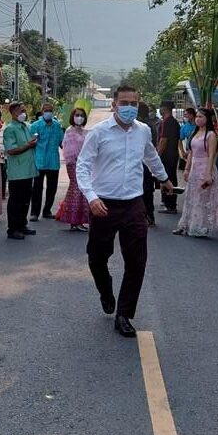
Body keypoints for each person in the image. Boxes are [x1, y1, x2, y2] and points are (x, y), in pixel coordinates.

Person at [76, 83, 174, 337]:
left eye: (133, 103)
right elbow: (83, 167)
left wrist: (163, 179)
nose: (129, 108)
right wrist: (91, 197)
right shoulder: (98, 133)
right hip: (103, 205)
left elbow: (151, 156)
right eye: (124, 103)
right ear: (114, 105)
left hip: (133, 205)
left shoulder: (142, 131)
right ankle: (105, 290)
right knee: (97, 257)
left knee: (137, 262)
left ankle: (124, 314)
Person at [174, 108, 218, 238]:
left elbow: (212, 155)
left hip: (205, 168)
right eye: (197, 116)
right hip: (194, 169)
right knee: (191, 198)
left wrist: (208, 174)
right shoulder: (195, 133)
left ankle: (200, 226)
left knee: (202, 199)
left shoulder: (211, 135)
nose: (198, 119)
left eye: (201, 117)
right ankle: (186, 224)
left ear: (207, 119)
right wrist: (186, 169)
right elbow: (191, 152)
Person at [3, 101, 38, 240]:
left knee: (25, 199)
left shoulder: (27, 126)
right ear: (12, 113)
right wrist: (28, 145)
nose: (24, 113)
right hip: (17, 171)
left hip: (29, 169)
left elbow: (33, 141)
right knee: (15, 201)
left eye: (24, 110)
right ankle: (13, 228)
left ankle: (22, 224)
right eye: (20, 111)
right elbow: (11, 150)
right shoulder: (10, 129)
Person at [56, 107, 91, 230]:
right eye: (77, 115)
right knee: (76, 189)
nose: (79, 117)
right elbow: (69, 152)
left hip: (83, 165)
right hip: (74, 164)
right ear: (73, 117)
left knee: (81, 191)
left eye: (82, 115)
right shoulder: (70, 131)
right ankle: (74, 220)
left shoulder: (84, 131)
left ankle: (78, 220)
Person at [29, 102, 65, 221]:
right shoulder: (35, 126)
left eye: (50, 110)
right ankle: (34, 212)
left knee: (52, 188)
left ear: (52, 111)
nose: (48, 112)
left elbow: (62, 142)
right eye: (46, 110)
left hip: (53, 161)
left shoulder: (57, 126)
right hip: (39, 161)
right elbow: (30, 143)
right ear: (42, 111)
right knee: (37, 188)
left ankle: (47, 210)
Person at [155, 101, 181, 216]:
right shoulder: (174, 122)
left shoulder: (167, 122)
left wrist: (157, 154)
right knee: (171, 177)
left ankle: (170, 204)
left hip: (167, 155)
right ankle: (170, 203)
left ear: (164, 109)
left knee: (167, 178)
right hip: (173, 154)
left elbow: (163, 140)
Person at [137, 101, 158, 225]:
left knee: (142, 189)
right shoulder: (150, 125)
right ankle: (149, 215)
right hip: (147, 162)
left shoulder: (140, 126)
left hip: (141, 161)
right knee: (147, 190)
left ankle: (144, 215)